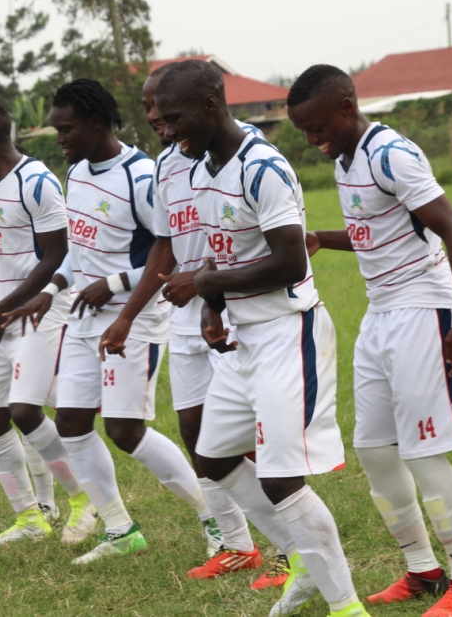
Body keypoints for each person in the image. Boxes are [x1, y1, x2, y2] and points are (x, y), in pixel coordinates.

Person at [155, 61, 368, 617]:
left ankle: (346, 607)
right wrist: (212, 305)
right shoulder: (202, 170)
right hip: (240, 338)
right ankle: (304, 560)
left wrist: (204, 282)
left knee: (281, 478)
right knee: (214, 457)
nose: (168, 127)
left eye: (175, 117)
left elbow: (291, 261)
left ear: (209, 105)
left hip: (285, 332)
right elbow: (224, 253)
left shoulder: (262, 166)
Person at [288, 64, 452, 617]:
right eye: (303, 130)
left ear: (348, 108)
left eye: (317, 127)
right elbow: (374, 228)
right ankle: (422, 571)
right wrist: (320, 238)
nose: (311, 139)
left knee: (423, 455)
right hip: (380, 314)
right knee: (376, 451)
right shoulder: (346, 159)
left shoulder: (390, 153)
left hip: (423, 310)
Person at [5, 78, 215, 565]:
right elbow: (80, 251)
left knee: (125, 429)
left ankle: (215, 520)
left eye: (66, 128)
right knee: (72, 422)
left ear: (96, 123)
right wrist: (53, 289)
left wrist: (117, 287)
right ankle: (120, 529)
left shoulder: (142, 176)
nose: (59, 137)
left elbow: (174, 256)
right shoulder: (76, 173)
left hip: (135, 318)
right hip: (82, 315)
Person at [102, 64, 290, 587]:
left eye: (162, 107)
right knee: (195, 433)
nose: (155, 117)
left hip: (239, 312)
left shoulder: (240, 152)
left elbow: (269, 244)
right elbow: (163, 244)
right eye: (147, 108)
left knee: (245, 436)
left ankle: (287, 547)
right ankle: (236, 543)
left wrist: (206, 285)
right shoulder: (165, 166)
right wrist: (128, 314)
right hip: (184, 317)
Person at [0, 98, 97, 547]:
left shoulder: (36, 182)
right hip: (0, 316)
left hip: (41, 310)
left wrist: (8, 304)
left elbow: (57, 254)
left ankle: (82, 498)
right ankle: (29, 517)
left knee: (25, 409)